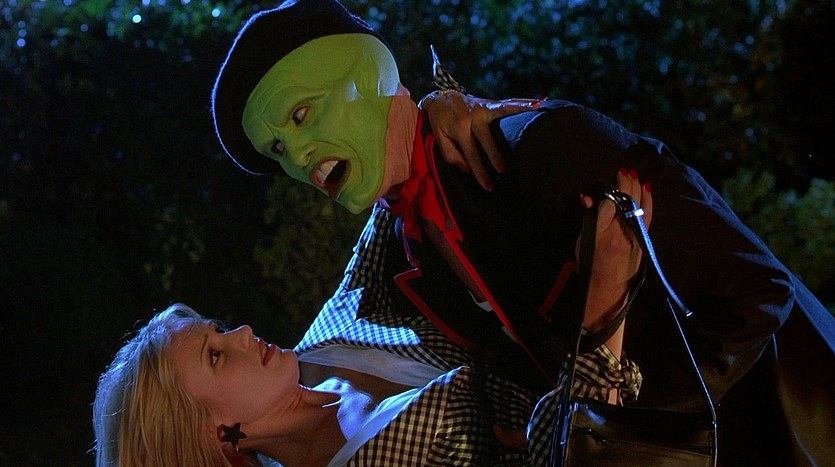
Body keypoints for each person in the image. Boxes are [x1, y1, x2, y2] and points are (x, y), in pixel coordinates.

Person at [211, 0, 835, 464]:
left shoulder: (542, 147)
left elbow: (757, 290)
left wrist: (616, 425)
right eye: (278, 149)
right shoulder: (405, 253)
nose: (298, 158)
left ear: (371, 71)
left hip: (795, 426)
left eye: (302, 114)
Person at [92, 186, 648, 466]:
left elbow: (388, 198)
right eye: (215, 356)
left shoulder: (324, 343)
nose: (239, 335)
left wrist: (441, 111)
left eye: (218, 330)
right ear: (215, 434)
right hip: (652, 399)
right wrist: (604, 305)